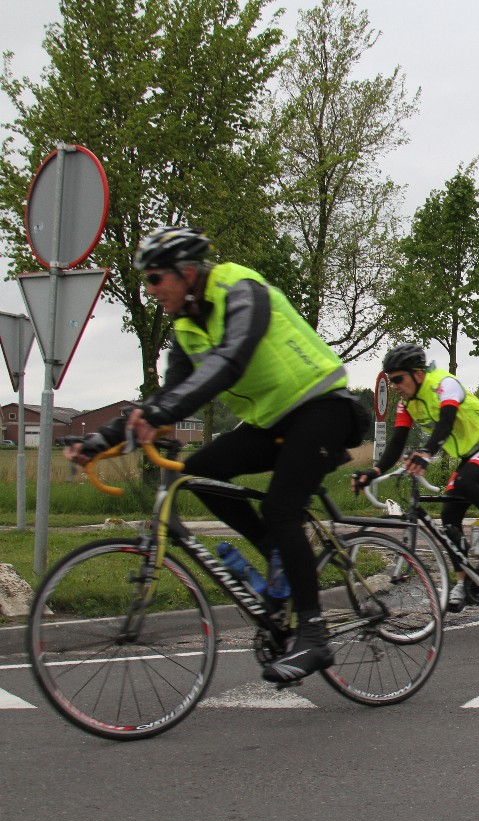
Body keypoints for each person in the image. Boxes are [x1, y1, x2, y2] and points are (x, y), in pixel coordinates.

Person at [65, 226, 365, 684]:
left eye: (155, 278)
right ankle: (279, 557)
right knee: (198, 471)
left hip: (323, 408)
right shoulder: (186, 327)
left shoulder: (240, 290)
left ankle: (314, 635)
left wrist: (162, 412)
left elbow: (231, 359)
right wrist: (98, 441)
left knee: (281, 508)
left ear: (186, 272)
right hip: (273, 420)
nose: (150, 291)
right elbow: (168, 396)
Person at [353, 344, 479, 612]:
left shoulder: (444, 384)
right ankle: (463, 582)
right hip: (471, 454)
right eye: (390, 380)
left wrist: (425, 453)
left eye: (398, 379)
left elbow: (446, 421)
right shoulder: (407, 404)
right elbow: (397, 442)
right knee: (449, 517)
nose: (394, 386)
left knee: (466, 482)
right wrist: (374, 472)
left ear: (418, 374)